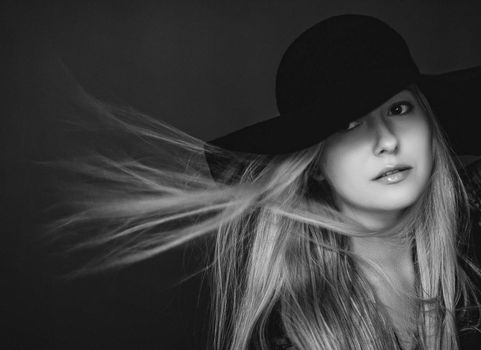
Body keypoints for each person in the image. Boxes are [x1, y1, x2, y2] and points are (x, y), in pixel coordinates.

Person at [48, 14, 481, 350]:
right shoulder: (290, 330)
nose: (386, 141)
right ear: (313, 164)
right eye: (349, 125)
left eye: (399, 110)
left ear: (430, 123)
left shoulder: (471, 244)